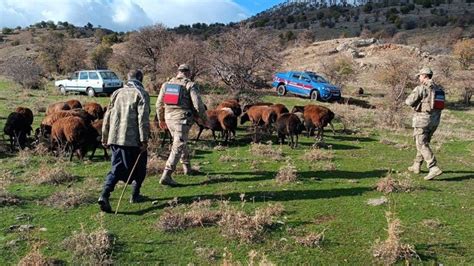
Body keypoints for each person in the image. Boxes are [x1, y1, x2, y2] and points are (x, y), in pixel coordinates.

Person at [98, 70, 150, 213]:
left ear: (128, 78)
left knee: (121, 167)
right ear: (140, 78)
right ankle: (126, 194)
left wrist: (105, 136)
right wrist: (144, 139)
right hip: (132, 140)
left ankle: (113, 194)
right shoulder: (141, 94)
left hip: (115, 138)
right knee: (135, 168)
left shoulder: (116, 93)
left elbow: (107, 115)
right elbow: (143, 119)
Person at [156, 64, 207, 186]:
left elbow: (158, 104)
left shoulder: (166, 85)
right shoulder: (190, 85)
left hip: (169, 119)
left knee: (180, 142)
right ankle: (167, 174)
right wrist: (204, 118)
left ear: (178, 72)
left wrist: (161, 119)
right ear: (188, 73)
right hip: (182, 120)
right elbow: (198, 105)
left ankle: (187, 168)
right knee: (178, 145)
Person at [405, 67, 445, 180]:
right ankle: (416, 165)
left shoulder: (421, 88)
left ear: (424, 76)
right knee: (423, 143)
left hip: (422, 120)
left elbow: (408, 101)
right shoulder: (439, 89)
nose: (419, 77)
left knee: (421, 144)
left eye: (420, 76)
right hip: (435, 121)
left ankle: (433, 167)